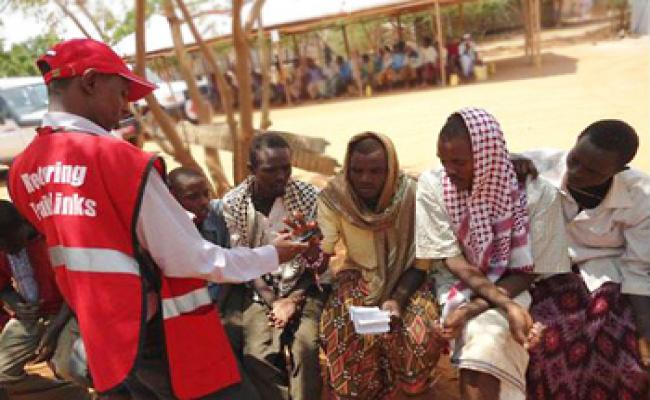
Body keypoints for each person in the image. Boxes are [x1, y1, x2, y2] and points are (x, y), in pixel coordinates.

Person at [8, 38, 308, 400]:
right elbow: (191, 258)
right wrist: (274, 254)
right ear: (89, 82)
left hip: (105, 333)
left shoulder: (23, 169)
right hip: (164, 330)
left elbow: (91, 236)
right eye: (121, 93)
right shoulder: (120, 160)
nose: (124, 107)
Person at [415, 108, 571, 400]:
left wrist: (473, 309)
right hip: (456, 283)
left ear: (487, 157)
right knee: (485, 337)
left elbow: (528, 270)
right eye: (443, 160)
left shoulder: (538, 194)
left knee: (487, 338)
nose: (449, 169)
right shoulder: (434, 186)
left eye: (459, 162)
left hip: (515, 283)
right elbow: (453, 260)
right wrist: (505, 306)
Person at [518, 120, 649, 399]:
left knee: (620, 345)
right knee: (546, 340)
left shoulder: (641, 196)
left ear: (618, 171)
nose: (576, 173)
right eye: (575, 159)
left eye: (593, 171)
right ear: (575, 142)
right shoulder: (540, 164)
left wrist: (644, 329)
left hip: (610, 277)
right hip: (548, 274)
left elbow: (638, 269)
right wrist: (511, 161)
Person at [318, 132, 442, 399]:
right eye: (357, 170)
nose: (365, 179)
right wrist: (309, 251)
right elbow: (322, 252)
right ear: (347, 169)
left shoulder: (413, 195)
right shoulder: (335, 197)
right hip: (360, 274)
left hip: (409, 278)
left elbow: (421, 263)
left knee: (417, 336)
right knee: (342, 328)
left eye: (376, 171)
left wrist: (397, 300)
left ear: (391, 170)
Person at [222, 132, 328, 400]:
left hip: (304, 286)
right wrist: (274, 302)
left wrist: (292, 300)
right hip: (260, 289)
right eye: (271, 170)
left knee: (305, 348)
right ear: (251, 170)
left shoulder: (308, 197)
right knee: (258, 355)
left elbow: (315, 263)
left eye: (286, 167)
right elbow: (243, 261)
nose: (281, 176)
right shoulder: (234, 204)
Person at [0, 200, 90, 400]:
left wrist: (53, 332)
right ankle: (72, 393)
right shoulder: (4, 249)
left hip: (66, 312)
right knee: (2, 375)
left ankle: (91, 387)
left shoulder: (50, 240)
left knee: (68, 367)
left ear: (21, 225)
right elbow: (3, 287)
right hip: (30, 316)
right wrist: (17, 304)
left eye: (7, 242)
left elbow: (75, 289)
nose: (5, 249)